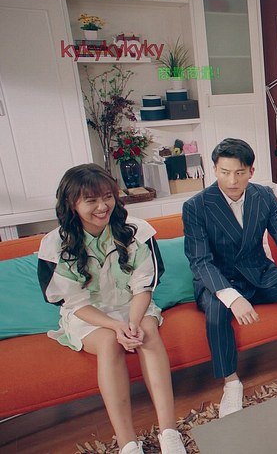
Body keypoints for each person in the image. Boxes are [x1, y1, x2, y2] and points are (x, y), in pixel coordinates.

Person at [37, 164, 186, 454]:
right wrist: (116, 327)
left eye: (107, 196)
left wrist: (132, 322)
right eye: (91, 200)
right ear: (71, 202)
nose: (102, 206)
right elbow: (75, 302)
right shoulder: (55, 245)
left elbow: (143, 287)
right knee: (108, 342)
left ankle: (169, 432)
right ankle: (128, 442)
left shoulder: (137, 231)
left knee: (147, 331)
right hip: (88, 314)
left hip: (133, 305)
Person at [183, 138, 277, 419]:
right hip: (219, 280)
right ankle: (231, 382)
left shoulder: (263, 196)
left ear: (251, 171)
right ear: (214, 170)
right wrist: (232, 298)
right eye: (225, 172)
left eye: (239, 172)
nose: (232, 180)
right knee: (216, 310)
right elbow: (200, 261)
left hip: (259, 272)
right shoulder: (196, 206)